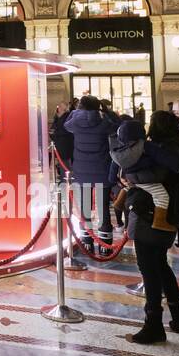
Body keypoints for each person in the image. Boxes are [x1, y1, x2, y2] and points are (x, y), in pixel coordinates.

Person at [109, 113, 179, 343]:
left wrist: (130, 182)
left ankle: (153, 325)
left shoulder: (160, 151)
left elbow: (155, 178)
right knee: (161, 266)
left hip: (149, 218)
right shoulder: (178, 147)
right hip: (169, 216)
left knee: (149, 271)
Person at [63, 95, 119, 252]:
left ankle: (86, 241)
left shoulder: (74, 121)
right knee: (103, 208)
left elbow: (65, 125)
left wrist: (74, 112)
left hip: (82, 170)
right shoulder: (103, 121)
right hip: (102, 169)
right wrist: (106, 111)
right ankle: (105, 245)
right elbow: (116, 126)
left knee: (85, 207)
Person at [50, 102, 73, 180]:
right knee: (61, 162)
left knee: (65, 162)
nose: (58, 108)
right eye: (58, 106)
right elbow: (53, 128)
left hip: (65, 144)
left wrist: (55, 133)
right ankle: (63, 176)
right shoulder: (57, 117)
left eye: (60, 106)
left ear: (64, 109)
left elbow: (65, 131)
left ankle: (66, 178)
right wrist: (53, 133)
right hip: (58, 143)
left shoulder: (67, 117)